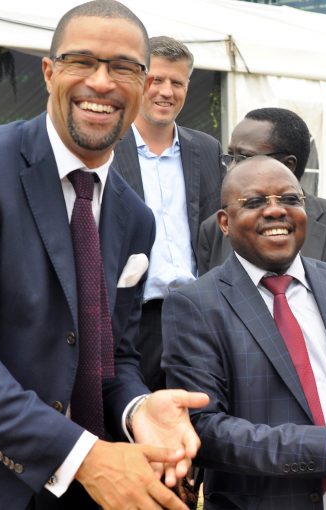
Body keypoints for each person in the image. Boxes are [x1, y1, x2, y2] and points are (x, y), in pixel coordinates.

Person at [0, 2, 208, 509]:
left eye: (123, 68)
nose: (103, 82)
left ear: (142, 83)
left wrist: (137, 408)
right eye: (81, 61)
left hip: (85, 491)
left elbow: (113, 356)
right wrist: (84, 456)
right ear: (49, 73)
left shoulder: (135, 219)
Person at [163, 155, 326, 509]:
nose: (276, 210)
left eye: (290, 199)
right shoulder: (195, 306)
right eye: (255, 202)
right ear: (224, 222)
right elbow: (205, 430)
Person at [197, 107, 326, 336]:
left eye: (243, 158)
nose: (232, 168)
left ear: (288, 165)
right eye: (230, 157)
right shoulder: (214, 228)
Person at [113, 35, 222, 391]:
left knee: (201, 422)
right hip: (133, 317)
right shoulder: (109, 147)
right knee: (133, 421)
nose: (166, 91)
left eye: (177, 82)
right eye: (156, 80)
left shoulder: (205, 150)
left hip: (197, 314)